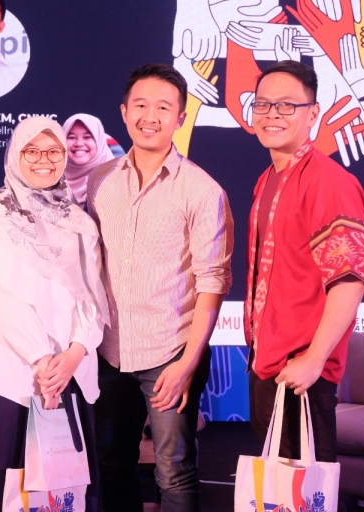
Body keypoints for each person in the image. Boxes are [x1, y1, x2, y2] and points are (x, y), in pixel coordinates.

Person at [87, 63, 234, 512]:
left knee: (173, 470)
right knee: (112, 462)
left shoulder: (202, 190)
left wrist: (188, 363)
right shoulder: (99, 180)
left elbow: (213, 282)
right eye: (141, 105)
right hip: (109, 350)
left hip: (171, 353)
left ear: (180, 118)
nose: (150, 116)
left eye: (163, 108)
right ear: (124, 112)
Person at [0, 116, 109, 512]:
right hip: (9, 376)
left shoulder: (78, 220)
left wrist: (75, 353)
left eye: (53, 151)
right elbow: (2, 295)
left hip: (70, 374)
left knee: (63, 490)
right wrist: (42, 361)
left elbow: (94, 295)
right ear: (15, 156)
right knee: (5, 487)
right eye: (32, 151)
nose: (44, 160)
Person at [244, 61, 364, 469]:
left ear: (313, 113)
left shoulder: (327, 181)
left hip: (301, 371)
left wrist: (314, 360)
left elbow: (349, 279)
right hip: (268, 362)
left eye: (286, 105)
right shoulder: (268, 178)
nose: (272, 115)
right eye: (263, 105)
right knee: (281, 487)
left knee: (308, 489)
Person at [62, 114, 115, 208]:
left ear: (99, 141)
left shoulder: (116, 179)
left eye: (87, 137)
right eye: (71, 137)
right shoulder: (48, 179)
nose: (79, 143)